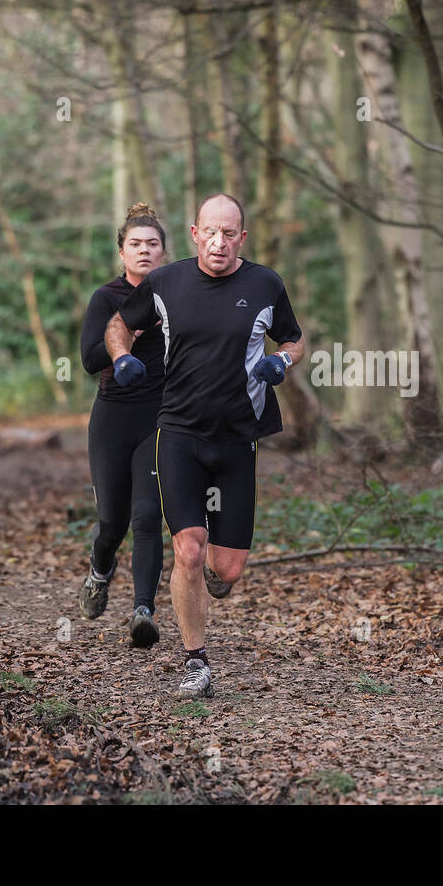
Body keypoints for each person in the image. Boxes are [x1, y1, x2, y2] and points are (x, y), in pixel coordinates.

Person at [105, 192, 305, 698]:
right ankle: (196, 661)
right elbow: (119, 324)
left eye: (229, 233)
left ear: (242, 237)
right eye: (209, 232)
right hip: (178, 434)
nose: (219, 242)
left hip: (239, 438)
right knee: (189, 551)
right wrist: (123, 356)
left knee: (227, 566)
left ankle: (217, 578)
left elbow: (295, 339)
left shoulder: (265, 284)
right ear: (195, 235)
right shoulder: (165, 283)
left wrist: (282, 362)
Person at [77, 203, 169, 649]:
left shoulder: (176, 295)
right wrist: (126, 338)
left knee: (148, 516)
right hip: (113, 417)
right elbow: (89, 360)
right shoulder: (106, 298)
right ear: (122, 252)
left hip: (161, 418)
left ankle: (143, 612)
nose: (144, 251)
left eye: (153, 244)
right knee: (112, 522)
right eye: (136, 244)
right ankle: (99, 570)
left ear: (165, 252)